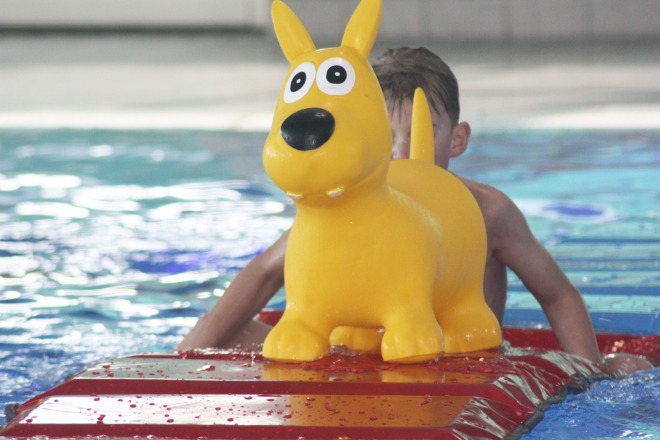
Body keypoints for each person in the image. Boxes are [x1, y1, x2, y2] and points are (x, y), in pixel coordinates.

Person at [177, 47, 652, 377]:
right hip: (348, 357)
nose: (401, 154)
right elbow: (264, 272)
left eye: (420, 133)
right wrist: (187, 358)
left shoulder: (487, 211)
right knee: (223, 331)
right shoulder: (340, 208)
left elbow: (557, 294)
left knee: (628, 369)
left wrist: (590, 371)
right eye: (386, 137)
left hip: (454, 358)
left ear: (457, 139)